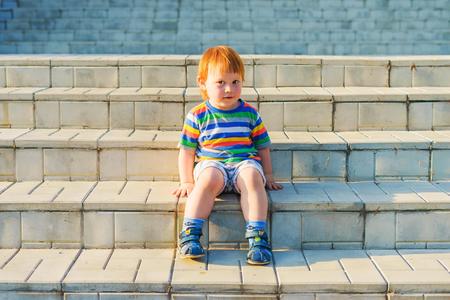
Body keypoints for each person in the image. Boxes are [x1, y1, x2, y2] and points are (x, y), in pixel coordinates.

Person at [172, 45, 283, 265]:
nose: (229, 89)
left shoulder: (250, 113)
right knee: (208, 178)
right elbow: (187, 151)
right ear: (203, 83)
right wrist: (186, 180)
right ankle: (191, 233)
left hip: (244, 163)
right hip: (213, 163)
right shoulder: (198, 115)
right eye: (220, 82)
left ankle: (258, 237)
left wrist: (268, 174)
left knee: (252, 178)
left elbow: (262, 146)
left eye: (235, 82)